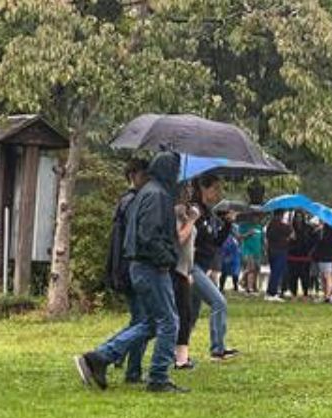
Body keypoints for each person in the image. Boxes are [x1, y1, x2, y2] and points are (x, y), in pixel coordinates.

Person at [76, 152, 186, 393]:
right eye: (176, 171)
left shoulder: (147, 192)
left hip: (140, 266)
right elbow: (149, 236)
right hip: (151, 266)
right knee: (169, 322)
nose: (178, 176)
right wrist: (168, 258)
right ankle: (158, 377)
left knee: (150, 322)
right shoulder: (157, 195)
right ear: (168, 171)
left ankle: (100, 357)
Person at [102, 158, 151, 383]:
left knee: (139, 320)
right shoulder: (132, 202)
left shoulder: (125, 201)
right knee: (143, 322)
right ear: (133, 175)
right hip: (130, 267)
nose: (147, 179)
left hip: (123, 266)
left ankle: (130, 369)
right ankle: (100, 355)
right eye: (144, 174)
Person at [187, 175, 238, 362]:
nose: (218, 193)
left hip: (201, 266)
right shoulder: (194, 211)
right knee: (219, 302)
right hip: (191, 267)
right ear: (202, 187)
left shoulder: (208, 213)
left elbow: (215, 243)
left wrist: (228, 224)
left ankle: (178, 354)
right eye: (215, 188)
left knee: (190, 315)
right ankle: (218, 349)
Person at [172, 187, 199, 370]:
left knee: (186, 314)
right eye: (185, 189)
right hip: (174, 269)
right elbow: (179, 238)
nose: (188, 193)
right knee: (181, 314)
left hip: (184, 270)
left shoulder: (185, 212)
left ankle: (181, 356)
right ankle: (180, 359)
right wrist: (191, 220)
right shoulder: (174, 213)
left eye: (190, 189)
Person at [285, 212, 316, 301]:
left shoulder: (309, 228)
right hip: (292, 256)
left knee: (305, 276)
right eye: (297, 217)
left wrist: (311, 252)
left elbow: (313, 241)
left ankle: (305, 293)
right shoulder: (290, 228)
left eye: (300, 217)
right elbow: (285, 241)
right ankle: (293, 293)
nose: (298, 219)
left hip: (305, 256)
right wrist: (290, 238)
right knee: (292, 276)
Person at [264, 209, 292, 302]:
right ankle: (272, 292)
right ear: (281, 215)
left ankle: (271, 291)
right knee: (277, 272)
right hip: (280, 250)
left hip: (271, 250)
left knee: (274, 272)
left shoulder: (270, 225)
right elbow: (290, 233)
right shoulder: (282, 226)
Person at [313, 222, 332, 303]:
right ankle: (326, 294)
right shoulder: (331, 231)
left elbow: (321, 241)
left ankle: (327, 295)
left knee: (327, 276)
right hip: (325, 256)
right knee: (324, 276)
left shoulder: (327, 232)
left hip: (326, 256)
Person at [236, 218, 264, 295]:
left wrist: (264, 248)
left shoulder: (259, 226)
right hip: (248, 250)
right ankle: (249, 288)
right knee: (251, 268)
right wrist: (248, 233)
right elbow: (238, 237)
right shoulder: (243, 225)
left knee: (256, 269)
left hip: (257, 251)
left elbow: (262, 239)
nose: (256, 218)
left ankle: (250, 285)